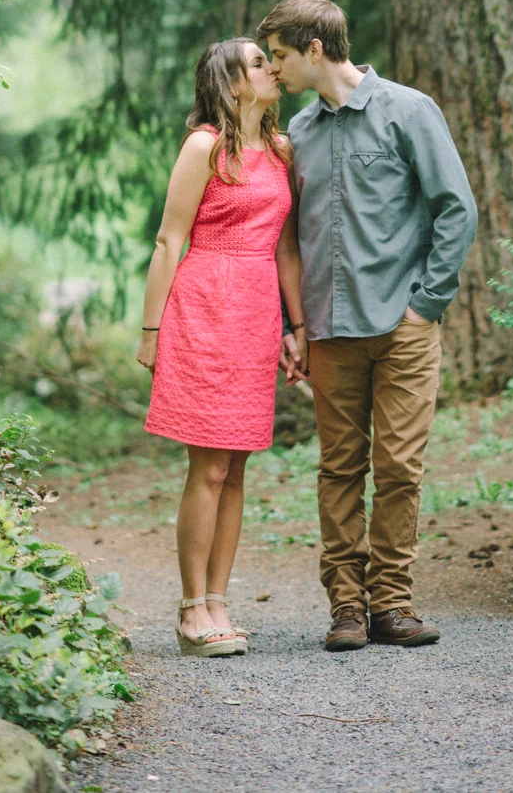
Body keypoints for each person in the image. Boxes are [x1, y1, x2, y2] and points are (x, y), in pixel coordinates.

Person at [259, 0, 477, 652]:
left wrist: (425, 305)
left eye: (279, 56)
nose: (273, 70)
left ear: (315, 49)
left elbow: (455, 209)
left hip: (403, 326)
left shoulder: (408, 111)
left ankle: (392, 604)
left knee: (400, 469)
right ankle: (346, 609)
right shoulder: (297, 132)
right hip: (329, 331)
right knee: (338, 469)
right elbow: (287, 238)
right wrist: (290, 326)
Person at [136, 38, 305, 658]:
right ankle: (190, 609)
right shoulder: (204, 146)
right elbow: (167, 241)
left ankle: (220, 600)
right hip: (204, 308)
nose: (273, 71)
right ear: (232, 82)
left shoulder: (282, 151)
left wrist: (296, 326)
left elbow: (287, 249)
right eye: (260, 64)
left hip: (258, 312)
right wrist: (151, 331)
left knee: (236, 469)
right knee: (207, 467)